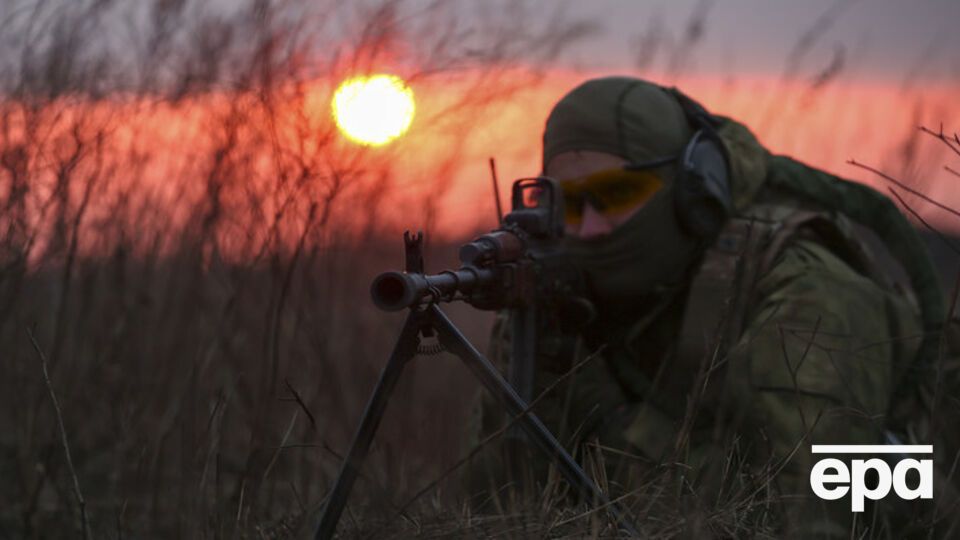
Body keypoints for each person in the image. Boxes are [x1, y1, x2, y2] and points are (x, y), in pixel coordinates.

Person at [464, 76, 948, 537]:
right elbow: (498, 513)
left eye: (616, 194)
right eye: (568, 204)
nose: (590, 228)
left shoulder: (807, 293)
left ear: (693, 191)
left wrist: (608, 419)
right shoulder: (577, 298)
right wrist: (531, 377)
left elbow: (799, 514)